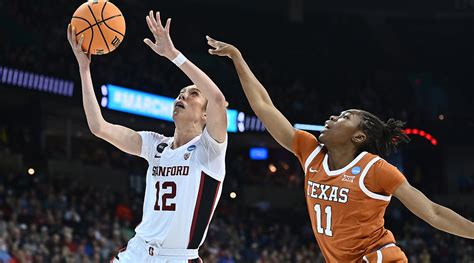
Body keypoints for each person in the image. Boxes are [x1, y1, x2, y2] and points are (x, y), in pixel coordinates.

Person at [206, 36, 474, 262]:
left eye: (345, 117)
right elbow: (264, 107)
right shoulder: (309, 150)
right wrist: (238, 58)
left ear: (358, 136)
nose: (334, 117)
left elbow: (433, 212)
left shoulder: (375, 169)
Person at [67, 11, 228, 263]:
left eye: (192, 94)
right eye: (180, 93)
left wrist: (173, 55)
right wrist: (84, 67)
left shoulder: (210, 150)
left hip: (177, 258)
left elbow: (218, 99)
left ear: (206, 115)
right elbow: (99, 127)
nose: (181, 97)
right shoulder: (156, 145)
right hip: (138, 252)